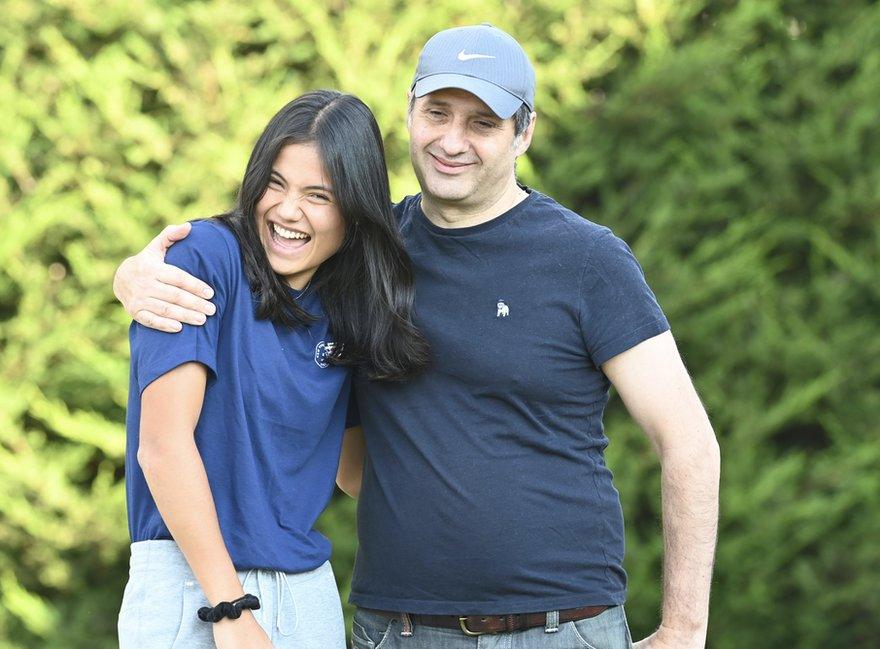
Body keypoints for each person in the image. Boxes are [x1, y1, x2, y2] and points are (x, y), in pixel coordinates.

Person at [115, 25, 721, 649]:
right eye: (437, 113)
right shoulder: (361, 255)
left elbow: (689, 443)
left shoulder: (588, 260)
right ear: (410, 112)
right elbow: (260, 259)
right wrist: (134, 277)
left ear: (524, 133)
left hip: (561, 627)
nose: (452, 141)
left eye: (482, 123)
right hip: (398, 630)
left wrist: (683, 629)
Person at [116, 89, 427, 649]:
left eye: (318, 195)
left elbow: (354, 473)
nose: (287, 210)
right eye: (276, 183)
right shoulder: (203, 258)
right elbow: (162, 446)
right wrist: (230, 607)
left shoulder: (349, 309)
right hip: (193, 587)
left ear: (355, 212)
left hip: (307, 597)